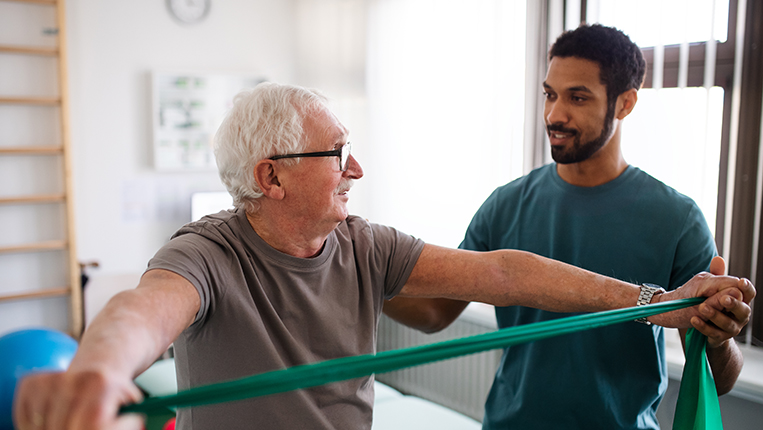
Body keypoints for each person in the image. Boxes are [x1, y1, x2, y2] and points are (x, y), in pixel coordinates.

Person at [13, 82, 752, 430]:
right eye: (337, 155)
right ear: (270, 176)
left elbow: (501, 271)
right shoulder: (207, 252)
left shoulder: (361, 243)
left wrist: (655, 304)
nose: (356, 170)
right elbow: (142, 311)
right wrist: (100, 372)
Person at [383, 24, 756, 429]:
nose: (553, 115)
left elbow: (718, 379)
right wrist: (358, 276)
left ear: (625, 103)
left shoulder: (678, 219)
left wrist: (719, 339)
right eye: (550, 94)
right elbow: (436, 311)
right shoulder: (506, 205)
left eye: (577, 98)